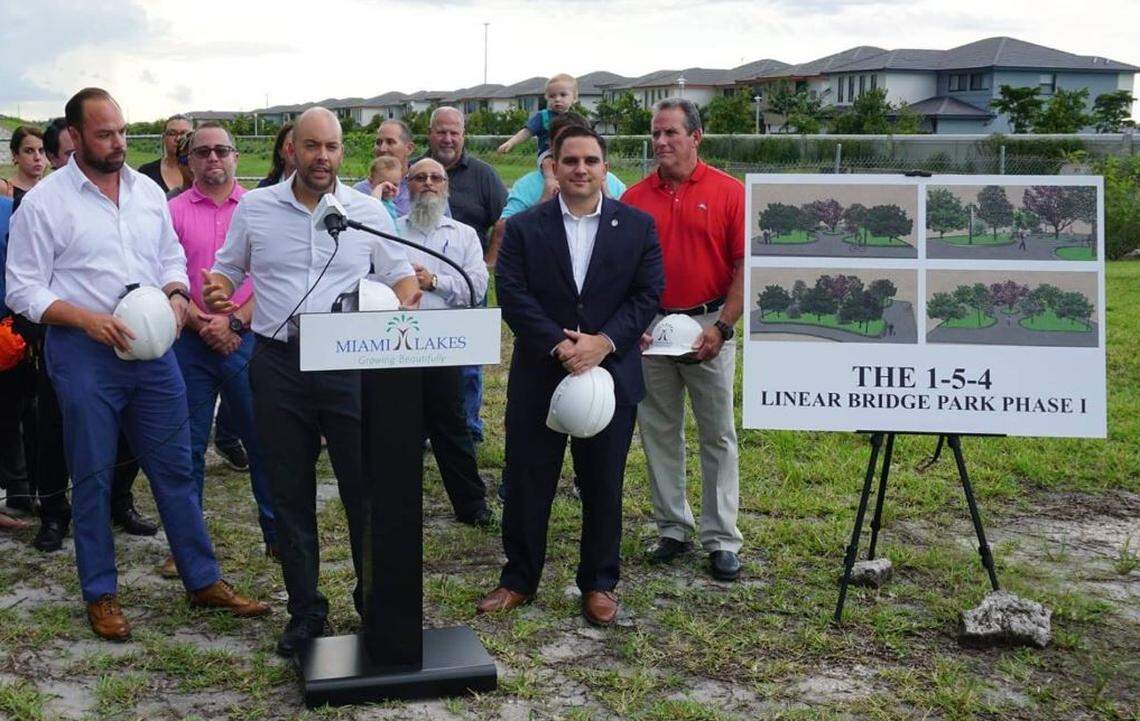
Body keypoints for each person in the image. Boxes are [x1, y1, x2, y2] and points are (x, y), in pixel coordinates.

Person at [5, 88, 270, 641]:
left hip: (153, 351)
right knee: (95, 474)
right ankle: (100, 593)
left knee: (174, 468)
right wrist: (85, 320)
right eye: (104, 134)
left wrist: (176, 292)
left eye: (122, 132)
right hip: (85, 353)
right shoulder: (47, 202)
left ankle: (202, 579)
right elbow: (22, 288)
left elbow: (168, 254)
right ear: (74, 137)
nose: (118, 143)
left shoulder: (147, 192)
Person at [203, 106, 420, 657]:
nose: (321, 157)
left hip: (350, 366)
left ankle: (372, 602)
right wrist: (219, 290)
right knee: (290, 491)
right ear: (290, 150)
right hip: (277, 364)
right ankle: (306, 612)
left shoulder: (365, 212)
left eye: (331, 147)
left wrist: (395, 315)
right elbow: (229, 267)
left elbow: (401, 282)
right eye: (311, 146)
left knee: (361, 488)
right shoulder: (255, 208)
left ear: (343, 152)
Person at [477, 126, 663, 626]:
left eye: (591, 160)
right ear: (554, 167)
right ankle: (518, 578)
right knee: (527, 480)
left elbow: (647, 295)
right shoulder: (523, 229)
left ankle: (599, 583)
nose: (581, 169)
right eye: (571, 160)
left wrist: (603, 343)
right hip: (542, 372)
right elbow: (512, 293)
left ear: (605, 168)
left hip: (611, 374)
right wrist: (560, 345)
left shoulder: (638, 227)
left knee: (603, 483)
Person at [622, 98, 746, 582]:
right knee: (658, 429)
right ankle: (673, 527)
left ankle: (722, 537)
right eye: (655, 133)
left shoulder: (728, 192)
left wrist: (722, 327)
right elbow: (622, 269)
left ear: (696, 137)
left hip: (709, 322)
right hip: (652, 328)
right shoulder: (635, 198)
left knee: (717, 433)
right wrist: (633, 324)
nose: (661, 142)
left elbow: (743, 267)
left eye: (671, 133)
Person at [165, 122, 278, 580]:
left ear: (235, 156)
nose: (213, 159)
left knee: (263, 441)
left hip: (246, 339)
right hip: (189, 343)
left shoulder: (260, 209)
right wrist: (201, 320)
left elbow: (272, 275)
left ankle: (278, 535)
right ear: (188, 160)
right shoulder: (169, 211)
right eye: (203, 152)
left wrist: (234, 321)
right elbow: (163, 271)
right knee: (186, 449)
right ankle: (184, 548)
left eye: (222, 151)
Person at [396, 158, 491, 526]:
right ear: (408, 185)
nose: (429, 184)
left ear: (446, 187)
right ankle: (399, 507)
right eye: (420, 178)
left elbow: (478, 288)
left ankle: (472, 505)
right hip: (398, 346)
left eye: (436, 178)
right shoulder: (389, 231)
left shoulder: (464, 235)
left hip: (444, 345)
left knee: (452, 428)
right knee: (399, 430)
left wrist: (435, 282)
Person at [422, 106, 507, 446]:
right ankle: (425, 426)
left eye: (454, 132)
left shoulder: (484, 175)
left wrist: (487, 262)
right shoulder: (416, 172)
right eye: (441, 131)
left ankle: (468, 426)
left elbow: (506, 221)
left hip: (468, 281)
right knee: (423, 356)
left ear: (463, 135)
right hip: (421, 283)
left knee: (468, 361)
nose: (447, 138)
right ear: (430, 134)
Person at [496, 74, 578, 156]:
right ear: (546, 98)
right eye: (552, 96)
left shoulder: (576, 120)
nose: (557, 99)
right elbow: (526, 132)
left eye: (563, 95)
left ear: (574, 98)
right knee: (548, 161)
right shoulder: (542, 116)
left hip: (569, 155)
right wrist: (511, 143)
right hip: (548, 155)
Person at [353, 119, 415, 216]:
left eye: (390, 142)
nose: (382, 149)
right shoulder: (360, 192)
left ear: (409, 148)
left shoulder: (424, 186)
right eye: (378, 142)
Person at [138, 115, 192, 193]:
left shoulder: (201, 171)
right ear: (164, 137)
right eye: (172, 134)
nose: (178, 138)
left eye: (184, 133)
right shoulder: (146, 172)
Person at [1, 126, 47, 205]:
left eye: (41, 151)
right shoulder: (4, 189)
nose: (37, 157)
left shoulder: (50, 189)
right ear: (15, 155)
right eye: (29, 151)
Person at [257, 122, 295, 188]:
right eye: (290, 145)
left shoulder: (317, 189)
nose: (296, 149)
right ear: (280, 152)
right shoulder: (265, 188)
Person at [366, 155, 403, 220]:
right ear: (370, 182)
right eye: (383, 184)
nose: (390, 188)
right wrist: (380, 187)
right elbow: (375, 203)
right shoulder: (372, 200)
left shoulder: (390, 203)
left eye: (395, 184)